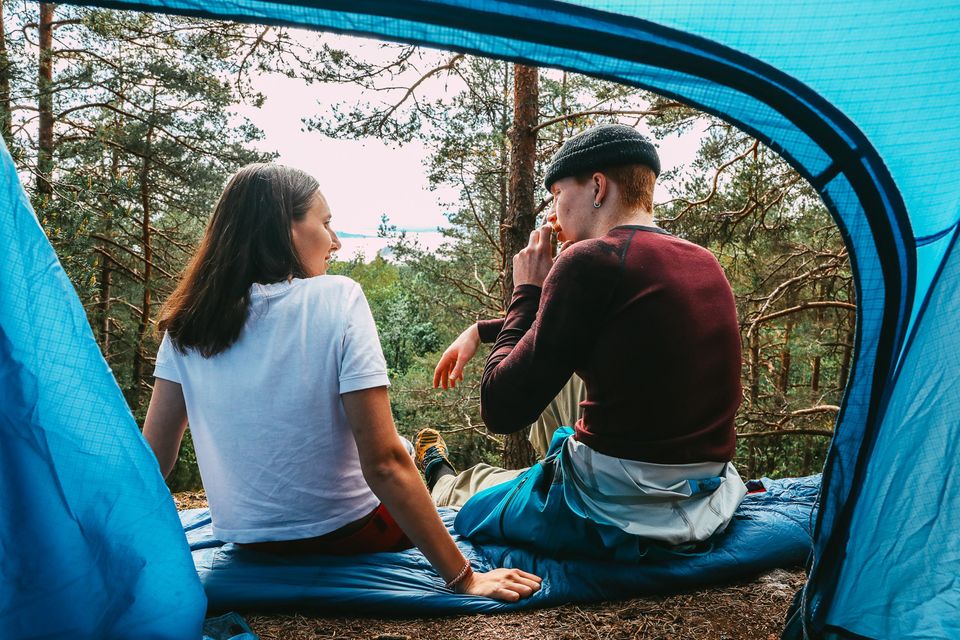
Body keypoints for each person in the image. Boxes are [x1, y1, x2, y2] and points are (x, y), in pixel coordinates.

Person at [142, 163, 540, 601]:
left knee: (402, 449)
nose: (334, 241)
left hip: (249, 540)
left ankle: (430, 462)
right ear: (284, 229)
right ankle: (435, 466)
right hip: (352, 533)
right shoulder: (338, 297)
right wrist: (465, 578)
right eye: (326, 223)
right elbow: (383, 463)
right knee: (409, 454)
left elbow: (152, 463)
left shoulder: (187, 326)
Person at [417, 124, 747, 556]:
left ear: (596, 187)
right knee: (559, 408)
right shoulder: (703, 261)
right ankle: (498, 474)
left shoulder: (588, 260)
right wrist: (481, 330)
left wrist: (528, 290)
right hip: (706, 494)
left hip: (619, 504)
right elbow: (581, 325)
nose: (553, 213)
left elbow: (500, 409)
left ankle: (439, 477)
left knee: (475, 508)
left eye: (557, 194)